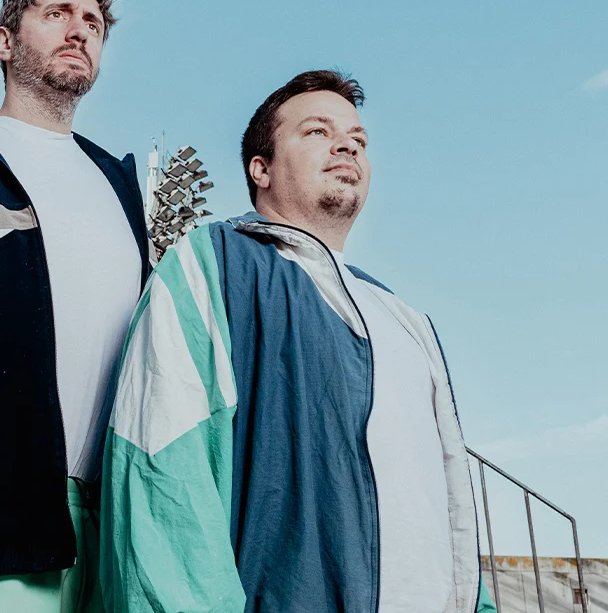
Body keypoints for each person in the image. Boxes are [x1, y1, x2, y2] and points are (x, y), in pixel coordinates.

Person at [100, 71, 496, 613]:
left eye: (358, 139)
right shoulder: (212, 263)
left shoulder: (407, 320)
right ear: (260, 169)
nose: (346, 146)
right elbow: (162, 476)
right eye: (317, 131)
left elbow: (450, 509)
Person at [0, 0, 150, 613]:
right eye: (57, 14)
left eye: (93, 23)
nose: (80, 30)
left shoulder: (119, 185)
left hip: (107, 527)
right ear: (5, 40)